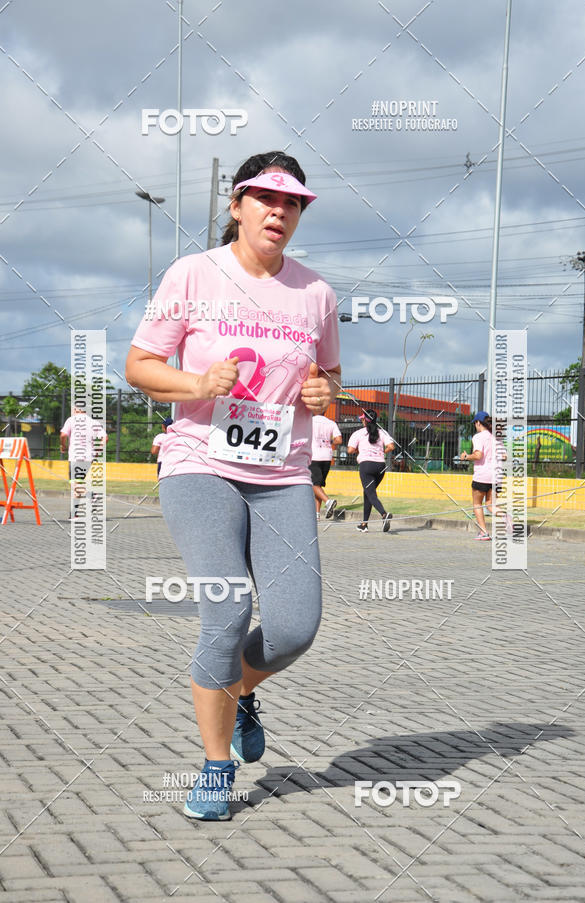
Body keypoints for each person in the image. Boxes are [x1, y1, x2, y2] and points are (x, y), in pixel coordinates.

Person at [125, 151, 341, 821]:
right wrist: (196, 384)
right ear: (237, 205)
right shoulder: (193, 275)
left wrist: (323, 391)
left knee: (294, 627)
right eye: (266, 199)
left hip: (280, 474)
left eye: (293, 203)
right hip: (200, 462)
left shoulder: (316, 294)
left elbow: (332, 382)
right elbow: (138, 364)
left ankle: (239, 690)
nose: (280, 212)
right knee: (226, 609)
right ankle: (217, 767)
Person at [460, 411, 507, 540]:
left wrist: (466, 457)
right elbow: (504, 456)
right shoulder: (497, 437)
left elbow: (478, 455)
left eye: (475, 423)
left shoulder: (478, 437)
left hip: (482, 476)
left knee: (477, 504)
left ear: (478, 423)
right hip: (496, 477)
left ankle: (484, 532)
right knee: (491, 505)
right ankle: (506, 517)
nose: (475, 425)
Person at [347, 409, 395, 532]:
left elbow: (350, 450)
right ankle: (364, 524)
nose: (361, 420)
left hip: (366, 466)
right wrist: (381, 453)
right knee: (368, 493)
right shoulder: (382, 432)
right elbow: (391, 446)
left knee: (371, 493)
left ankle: (384, 514)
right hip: (380, 466)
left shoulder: (358, 433)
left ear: (365, 420)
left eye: (362, 418)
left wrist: (360, 451)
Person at [60, 407, 108, 519]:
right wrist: (98, 450)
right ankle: (74, 513)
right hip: (88, 458)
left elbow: (63, 435)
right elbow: (105, 438)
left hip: (75, 458)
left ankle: (93, 496)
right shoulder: (94, 422)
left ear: (76, 409)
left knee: (74, 484)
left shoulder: (71, 420)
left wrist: (63, 446)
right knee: (77, 484)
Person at [310, 412, 342, 519]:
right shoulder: (331, 423)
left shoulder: (310, 421)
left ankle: (328, 501)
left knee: (313, 484)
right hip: (327, 456)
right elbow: (339, 440)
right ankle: (317, 514)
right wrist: (328, 441)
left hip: (314, 456)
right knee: (318, 485)